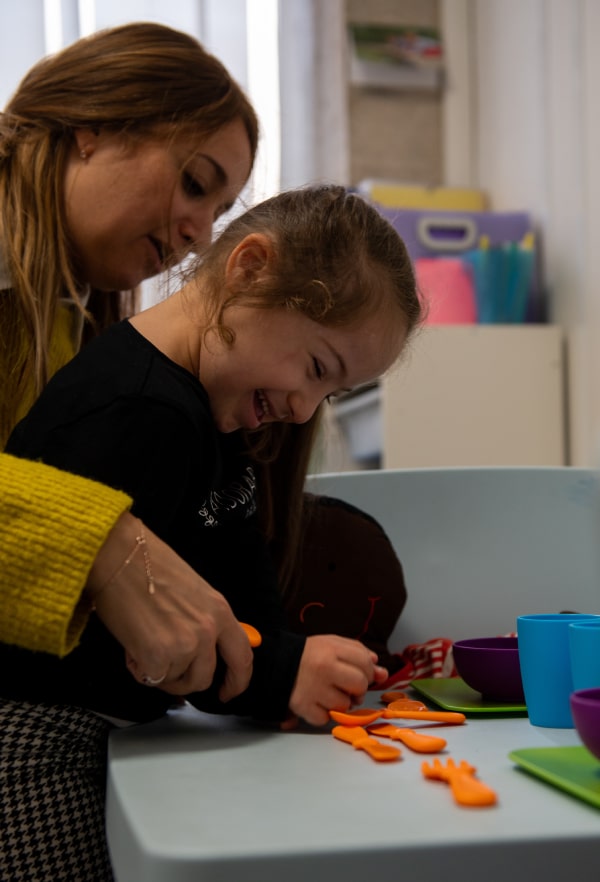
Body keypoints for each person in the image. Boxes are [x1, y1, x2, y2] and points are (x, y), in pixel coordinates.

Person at [4, 183, 423, 879]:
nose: (303, 408)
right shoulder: (136, 408)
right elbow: (148, 637)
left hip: (114, 731)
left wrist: (287, 660)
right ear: (249, 269)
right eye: (316, 369)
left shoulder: (213, 405)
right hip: (34, 736)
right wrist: (281, 672)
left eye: (331, 393)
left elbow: (232, 586)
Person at [0, 22, 261, 706]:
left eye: (219, 210)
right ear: (94, 126)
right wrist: (102, 544)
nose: (200, 233)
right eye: (195, 182)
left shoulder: (70, 319)